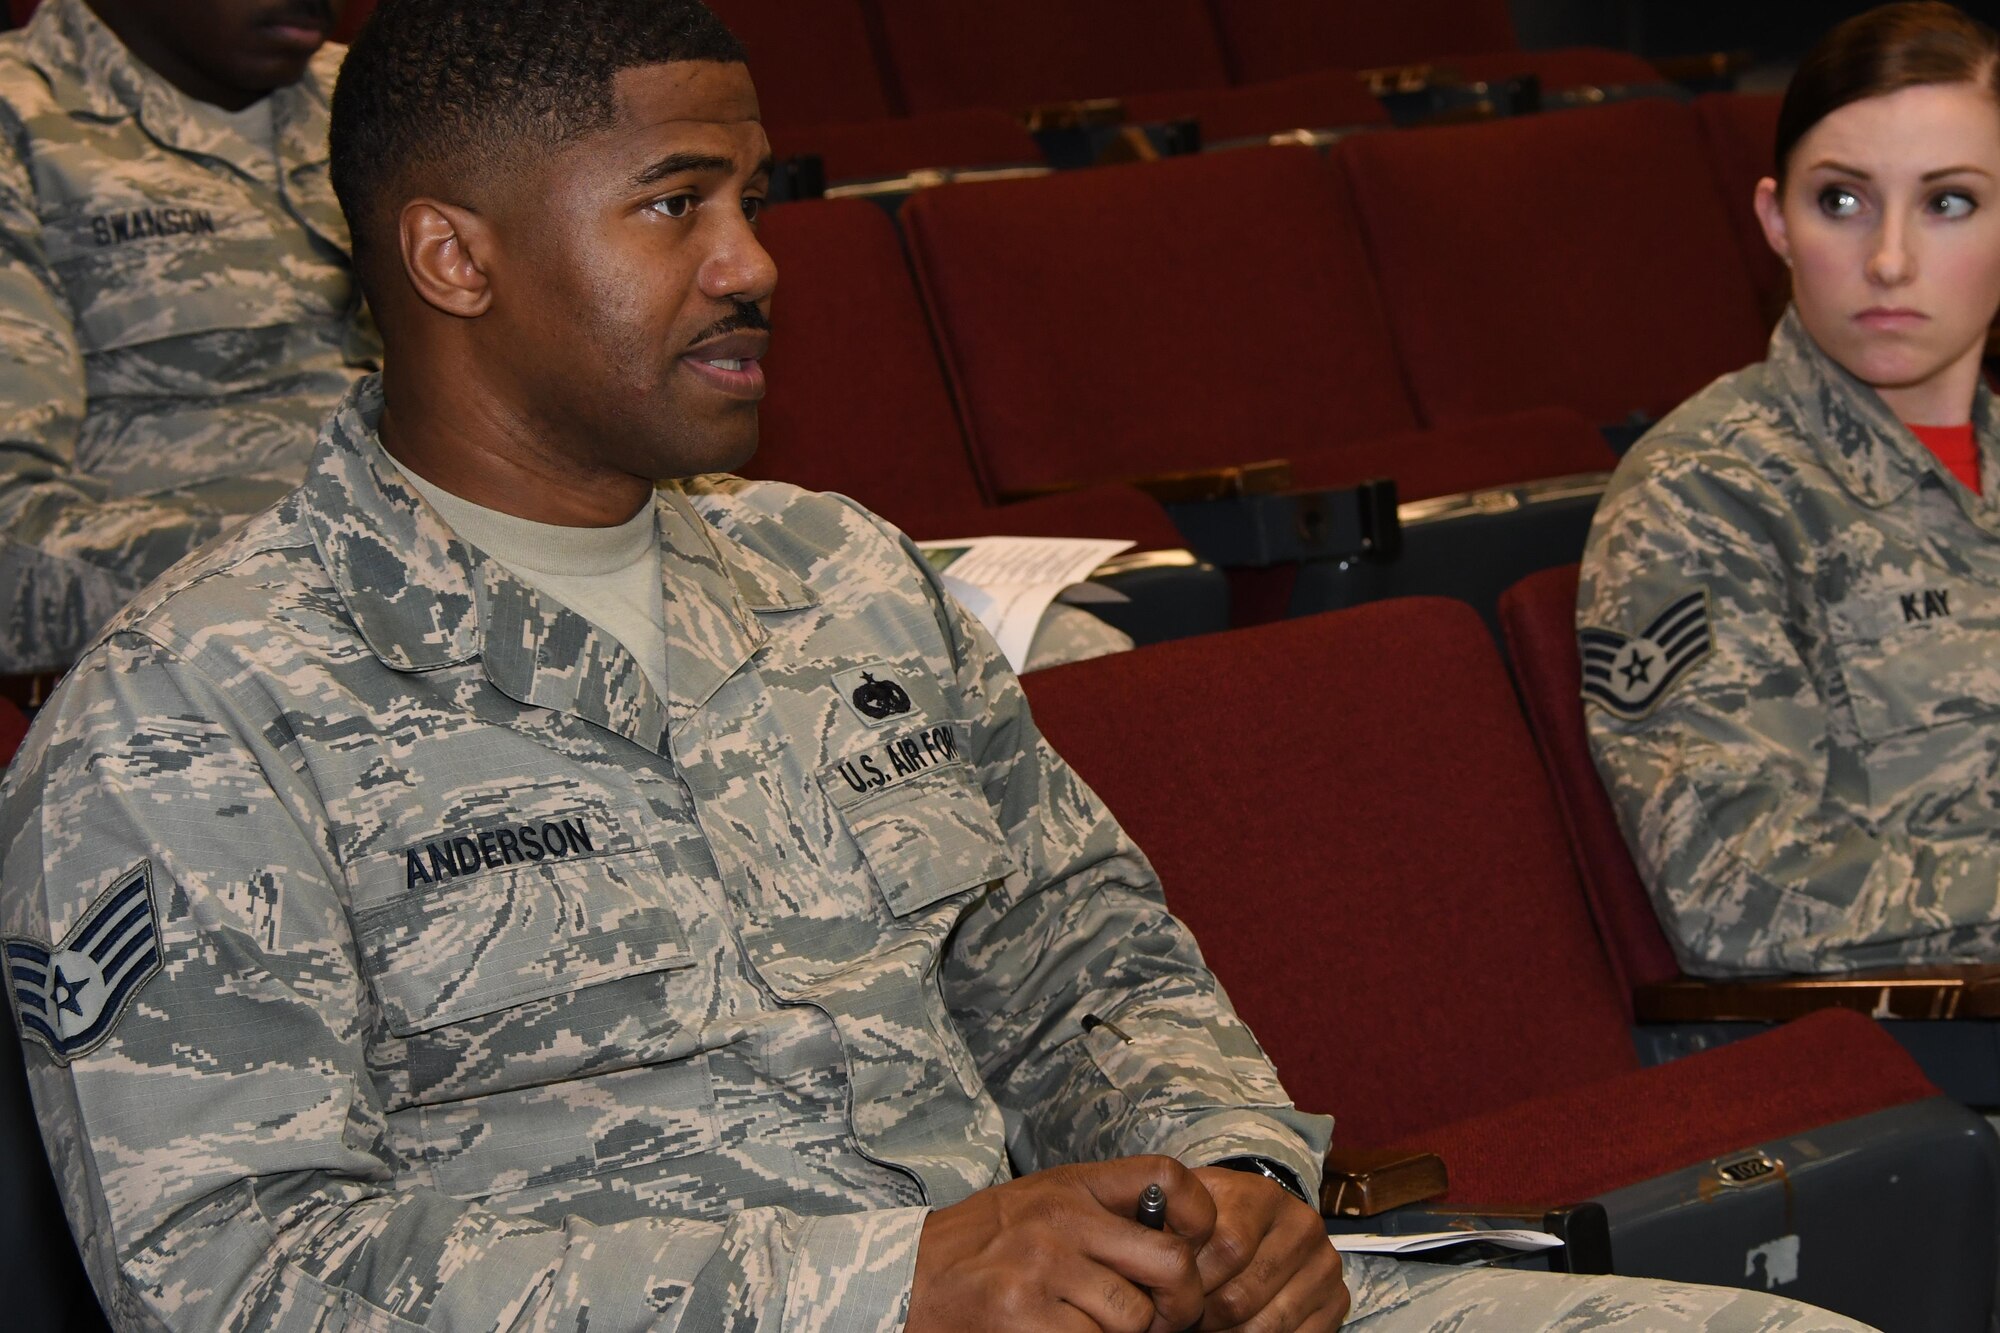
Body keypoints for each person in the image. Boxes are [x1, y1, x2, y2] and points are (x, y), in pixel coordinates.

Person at [0, 1, 1873, 1328]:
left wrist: (1222, 1186)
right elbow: (238, 1273)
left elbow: (1088, 957)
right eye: (677, 205)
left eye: (754, 197)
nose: (757, 262)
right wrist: (882, 1285)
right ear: (454, 257)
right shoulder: (193, 716)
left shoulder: (840, 572)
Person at [1580, 2, 2000, 977]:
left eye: (1947, 203)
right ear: (1774, 219)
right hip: (1914, 1062)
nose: (1888, 259)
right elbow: (1733, 892)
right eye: (1841, 201)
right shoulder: (1701, 493)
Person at [0, 0, 376, 683]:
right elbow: (11, 547)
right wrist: (361, 558)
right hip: (209, 671)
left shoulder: (385, 91)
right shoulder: (19, 119)